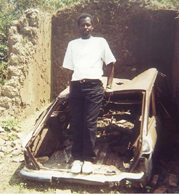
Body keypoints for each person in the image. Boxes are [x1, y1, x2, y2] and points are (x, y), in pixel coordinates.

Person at [62, 13, 116, 174]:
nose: (85, 27)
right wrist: (70, 89)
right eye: (82, 25)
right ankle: (77, 159)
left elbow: (111, 63)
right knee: (76, 122)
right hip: (77, 87)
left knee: (89, 123)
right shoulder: (72, 44)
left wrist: (109, 86)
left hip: (94, 87)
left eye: (88, 25)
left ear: (92, 26)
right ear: (78, 27)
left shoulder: (100, 42)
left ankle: (88, 159)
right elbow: (69, 70)